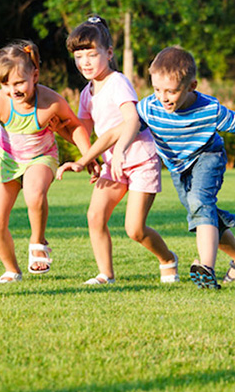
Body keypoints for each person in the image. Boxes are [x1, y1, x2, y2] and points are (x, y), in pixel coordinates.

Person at [65, 45, 235, 289]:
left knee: (200, 204)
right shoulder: (151, 107)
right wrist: (83, 160)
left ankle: (206, 268)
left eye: (171, 91)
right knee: (200, 212)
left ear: (191, 86)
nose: (163, 97)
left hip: (208, 156)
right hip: (178, 166)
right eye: (157, 89)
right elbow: (114, 134)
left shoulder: (209, 110)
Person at [56, 17, 179, 285]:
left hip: (140, 159)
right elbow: (83, 132)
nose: (85, 62)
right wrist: (57, 130)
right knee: (95, 215)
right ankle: (106, 274)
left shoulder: (117, 82)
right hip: (113, 163)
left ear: (109, 53)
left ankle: (168, 259)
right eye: (79, 56)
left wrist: (120, 149)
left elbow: (132, 120)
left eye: (92, 54)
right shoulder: (87, 92)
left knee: (134, 229)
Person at [0, 40, 92, 283]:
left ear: (35, 75)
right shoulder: (0, 101)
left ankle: (37, 240)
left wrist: (88, 157)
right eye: (5, 84)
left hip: (41, 158)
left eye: (19, 82)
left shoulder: (50, 101)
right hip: (7, 161)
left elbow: (75, 128)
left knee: (34, 193)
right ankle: (12, 269)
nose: (13, 90)